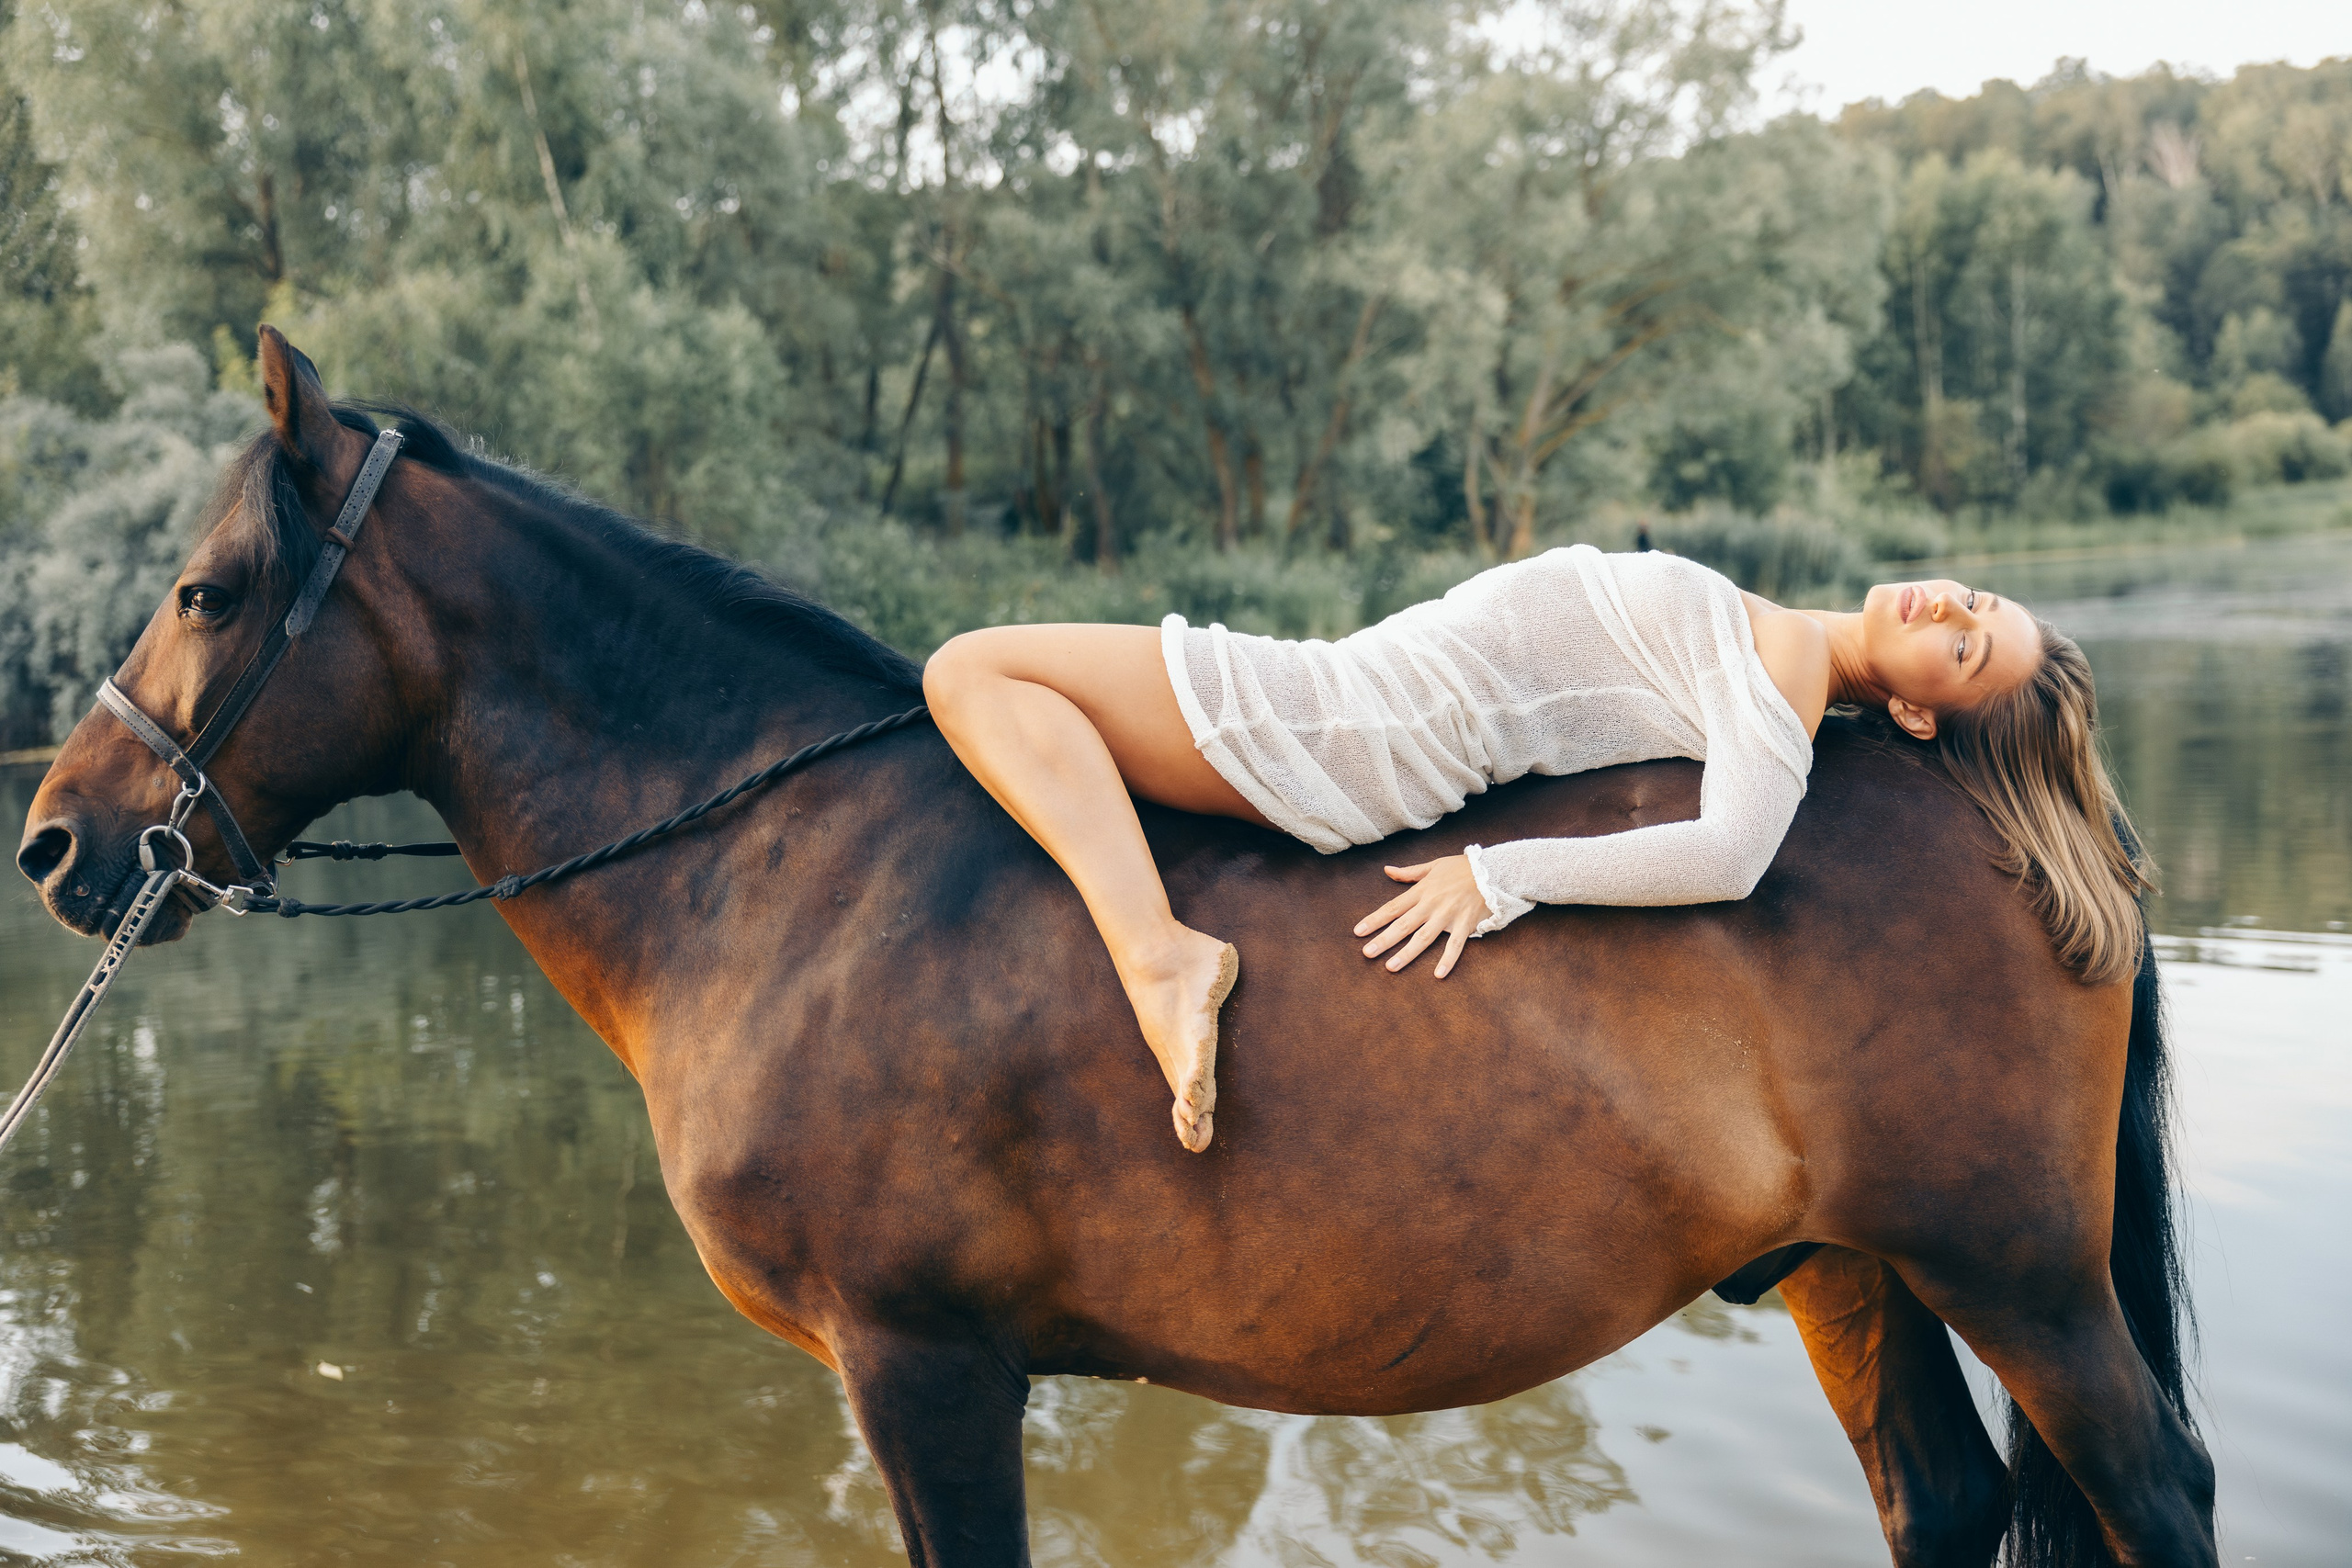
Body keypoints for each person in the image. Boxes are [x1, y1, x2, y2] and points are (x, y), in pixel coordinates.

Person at [922, 544, 2146, 1151]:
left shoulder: (1788, 681)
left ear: (1925, 713)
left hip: (1356, 723)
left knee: (970, 668)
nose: (1950, 609)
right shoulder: (1778, 640)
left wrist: (1502, 878)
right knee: (994, 679)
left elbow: (1730, 858)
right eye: (1978, 604)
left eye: (1968, 649)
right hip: (1360, 696)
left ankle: (1156, 957)